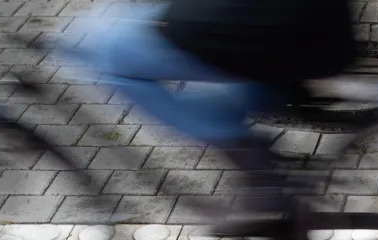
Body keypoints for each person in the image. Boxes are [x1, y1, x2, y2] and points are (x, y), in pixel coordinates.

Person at [61, 0, 356, 223]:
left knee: (110, 54)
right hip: (310, 29)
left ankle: (256, 169)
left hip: (270, 33)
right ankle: (255, 103)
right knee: (111, 34)